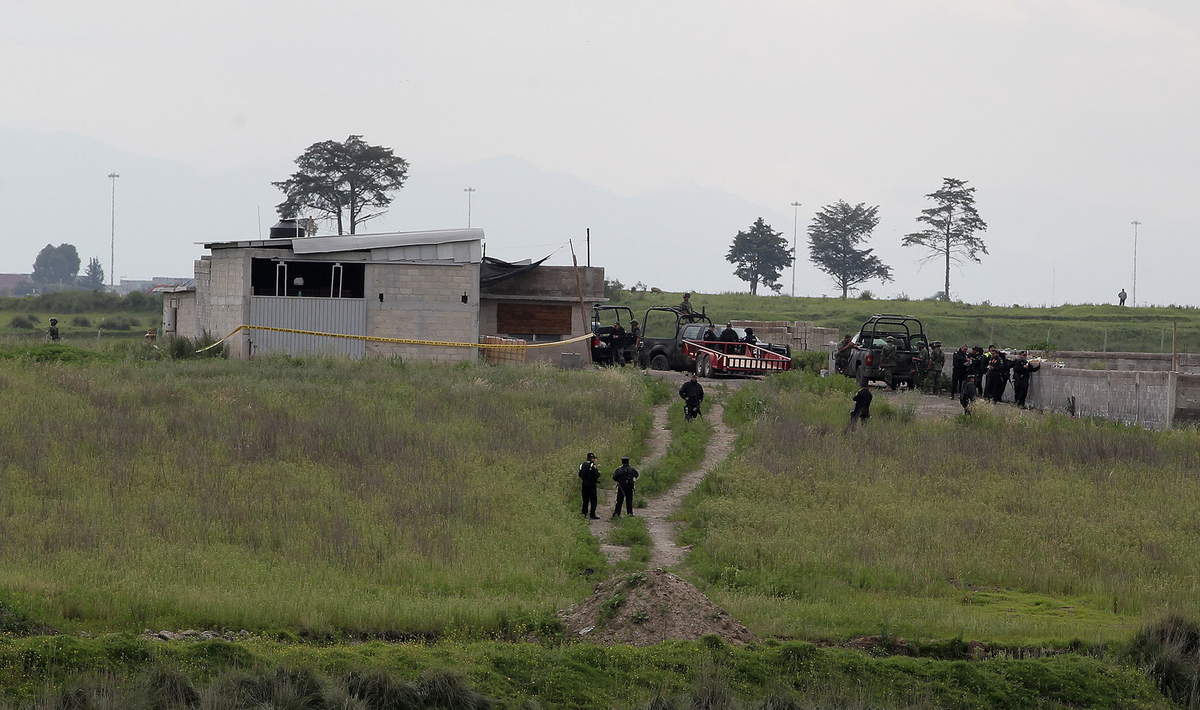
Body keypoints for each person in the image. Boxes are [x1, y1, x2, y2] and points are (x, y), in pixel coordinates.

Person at [578, 453, 601, 519]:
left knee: (585, 500)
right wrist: (598, 473)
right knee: (593, 500)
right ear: (592, 458)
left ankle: (584, 514)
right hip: (592, 485)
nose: (594, 459)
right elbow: (597, 474)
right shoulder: (592, 465)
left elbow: (580, 474)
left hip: (584, 485)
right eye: (594, 458)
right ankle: (592, 515)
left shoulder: (582, 464)